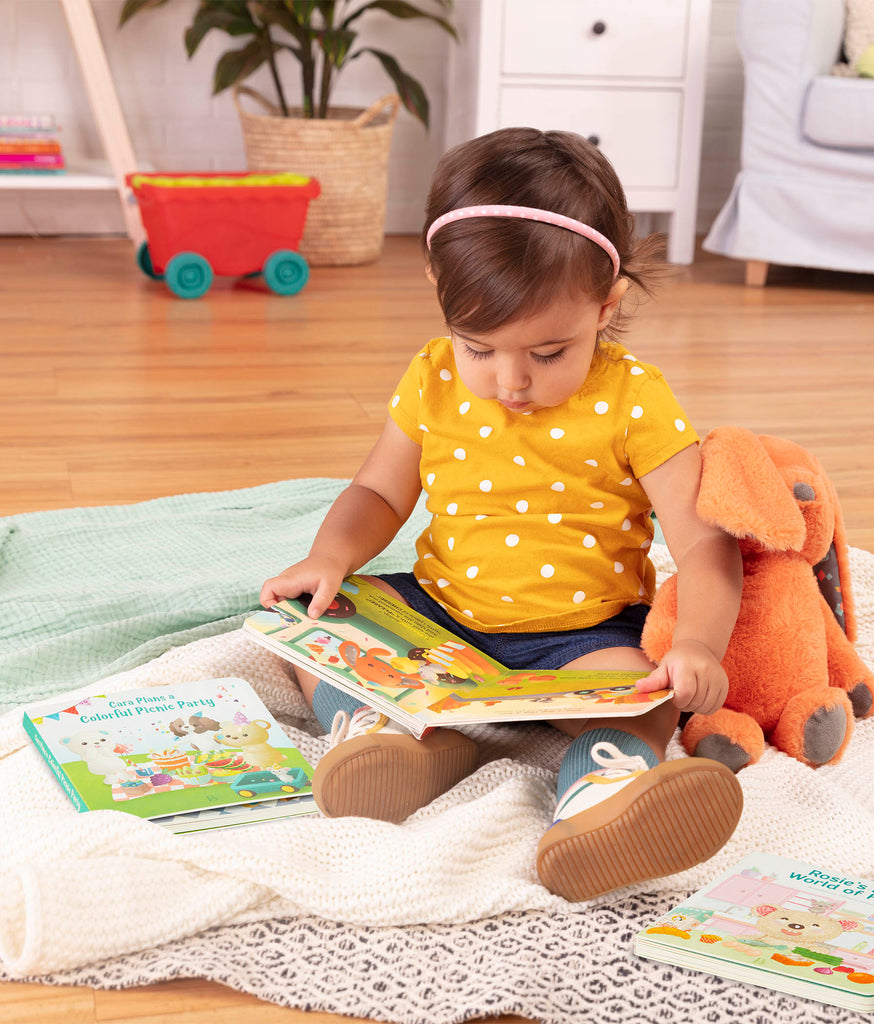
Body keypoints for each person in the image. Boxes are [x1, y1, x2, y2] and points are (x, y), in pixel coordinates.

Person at [260, 127, 744, 902]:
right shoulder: (431, 378)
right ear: (438, 292)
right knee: (304, 626)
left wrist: (696, 644)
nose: (508, 381)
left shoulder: (634, 398)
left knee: (644, 699)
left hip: (582, 635)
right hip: (441, 621)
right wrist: (329, 559)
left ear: (606, 303)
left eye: (549, 354)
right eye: (477, 346)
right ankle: (396, 740)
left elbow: (704, 542)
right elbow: (380, 493)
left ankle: (601, 803)